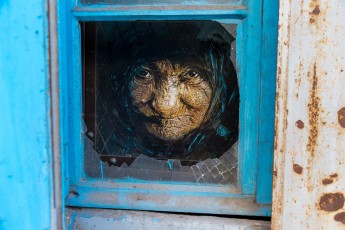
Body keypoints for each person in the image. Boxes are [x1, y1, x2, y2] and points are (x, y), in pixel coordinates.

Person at [96, 20, 239, 162]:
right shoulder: (104, 153)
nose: (165, 106)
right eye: (144, 73)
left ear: (220, 87)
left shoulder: (237, 156)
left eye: (192, 74)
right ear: (119, 83)